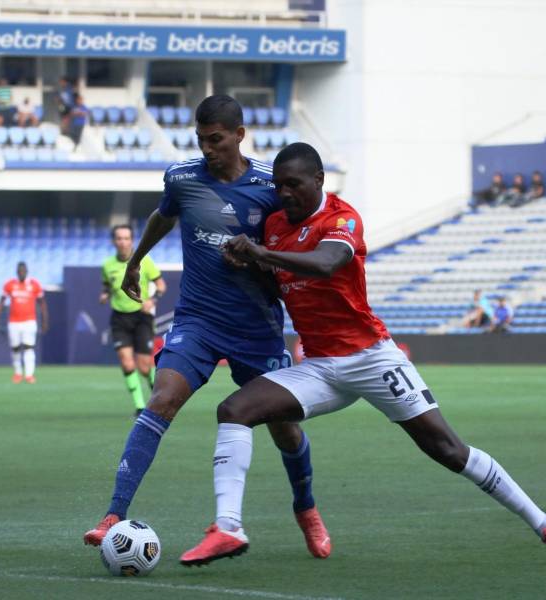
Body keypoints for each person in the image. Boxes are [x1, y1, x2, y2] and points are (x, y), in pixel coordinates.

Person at [180, 142, 546, 565]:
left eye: (294, 184)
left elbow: (326, 263)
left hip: (371, 357)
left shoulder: (342, 217)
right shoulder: (275, 225)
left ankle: (539, 520)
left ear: (319, 179)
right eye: (278, 186)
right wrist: (246, 263)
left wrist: (261, 253)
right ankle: (228, 527)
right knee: (234, 410)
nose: (284, 193)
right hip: (320, 367)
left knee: (448, 449)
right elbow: (274, 278)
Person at [83, 96, 330, 559]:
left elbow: (289, 249)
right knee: (162, 399)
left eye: (215, 140)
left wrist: (258, 263)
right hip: (197, 320)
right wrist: (135, 261)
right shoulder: (182, 178)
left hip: (256, 328)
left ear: (239, 135)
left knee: (284, 428)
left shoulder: (269, 186)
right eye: (200, 140)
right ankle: (113, 515)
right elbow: (163, 216)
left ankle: (306, 507)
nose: (207, 149)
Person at [101, 225, 166, 416]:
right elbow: (107, 286)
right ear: (114, 241)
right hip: (119, 318)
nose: (123, 242)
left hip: (141, 317)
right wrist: (105, 294)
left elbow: (161, 285)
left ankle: (160, 399)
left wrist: (152, 300)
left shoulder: (144, 261)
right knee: (127, 364)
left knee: (145, 367)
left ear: (132, 240)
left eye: (126, 238)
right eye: (119, 238)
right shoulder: (107, 265)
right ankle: (140, 407)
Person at [0, 261, 48, 384]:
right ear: (17, 272)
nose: (21, 273)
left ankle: (29, 374)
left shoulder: (34, 285)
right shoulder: (10, 285)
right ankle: (18, 373)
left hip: (29, 321)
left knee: (29, 347)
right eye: (19, 271)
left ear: (27, 271)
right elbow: (1, 302)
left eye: (23, 271)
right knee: (15, 348)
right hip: (14, 322)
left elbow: (42, 304)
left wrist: (45, 320)